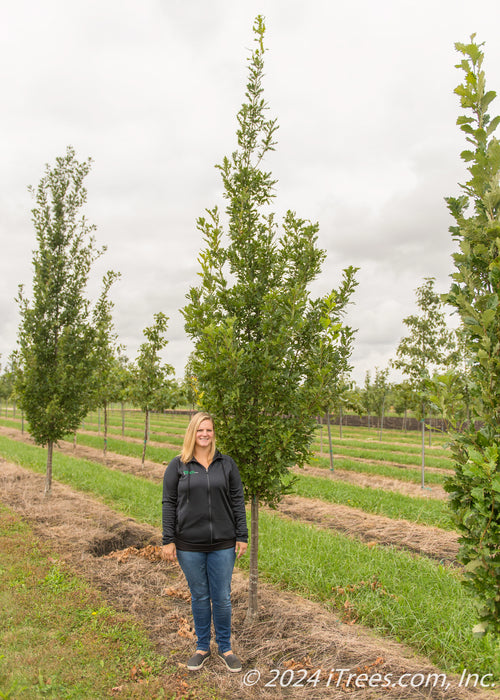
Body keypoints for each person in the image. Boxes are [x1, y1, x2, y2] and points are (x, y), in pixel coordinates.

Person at [161, 412, 248, 672]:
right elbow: (169, 503)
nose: (204, 435)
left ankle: (225, 647)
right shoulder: (178, 465)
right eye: (200, 430)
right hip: (189, 545)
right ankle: (202, 647)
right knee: (199, 596)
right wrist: (168, 539)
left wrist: (242, 535)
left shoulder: (226, 464)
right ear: (192, 433)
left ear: (213, 434)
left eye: (209, 430)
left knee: (221, 597)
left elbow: (237, 501)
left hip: (223, 543)